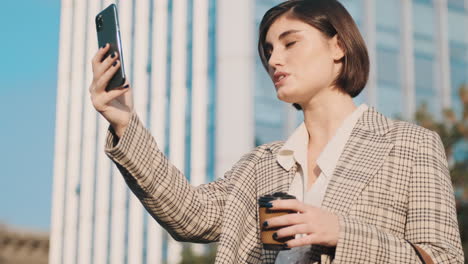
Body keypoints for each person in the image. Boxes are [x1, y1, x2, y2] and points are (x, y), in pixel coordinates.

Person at [88, 0, 464, 263]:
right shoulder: (261, 162)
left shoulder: (408, 144)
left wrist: (339, 232)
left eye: (290, 43)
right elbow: (192, 216)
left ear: (338, 46)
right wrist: (124, 121)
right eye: (268, 50)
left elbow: (443, 258)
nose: (274, 60)